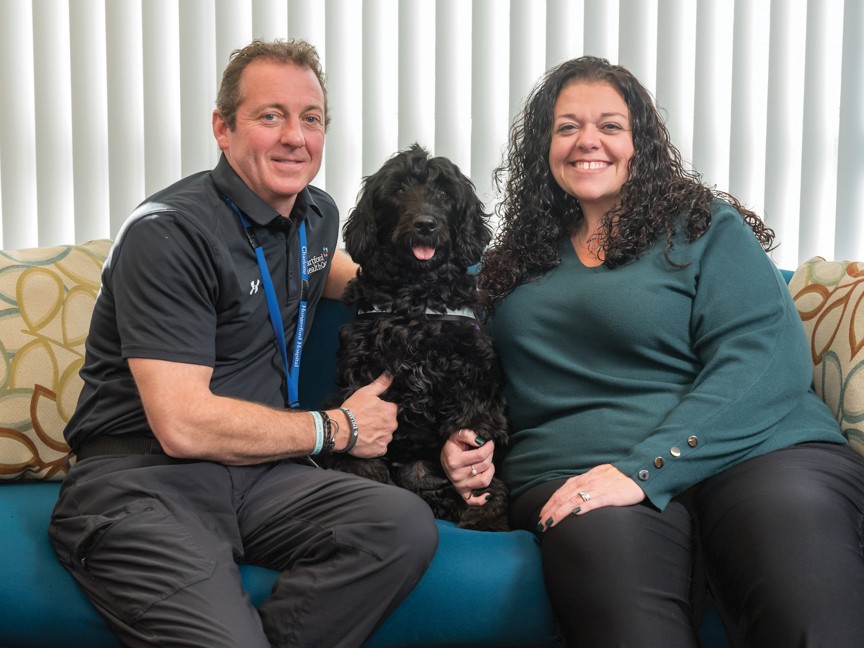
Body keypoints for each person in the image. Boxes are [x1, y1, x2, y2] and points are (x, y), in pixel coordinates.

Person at [441, 56, 864, 646]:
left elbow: (765, 359)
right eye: (567, 127)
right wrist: (461, 442)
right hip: (577, 467)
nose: (588, 141)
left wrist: (645, 469)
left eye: (610, 125)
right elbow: (464, 369)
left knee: (803, 586)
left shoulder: (702, 228)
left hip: (755, 449)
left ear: (640, 142)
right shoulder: (509, 262)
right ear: (543, 147)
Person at [49, 39, 437, 648]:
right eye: (270, 116)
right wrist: (338, 429)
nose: (294, 137)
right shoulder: (169, 234)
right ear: (222, 129)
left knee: (399, 524)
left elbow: (331, 272)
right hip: (144, 478)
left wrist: (457, 289)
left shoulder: (314, 216)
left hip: (259, 478)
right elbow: (183, 424)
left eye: (310, 118)